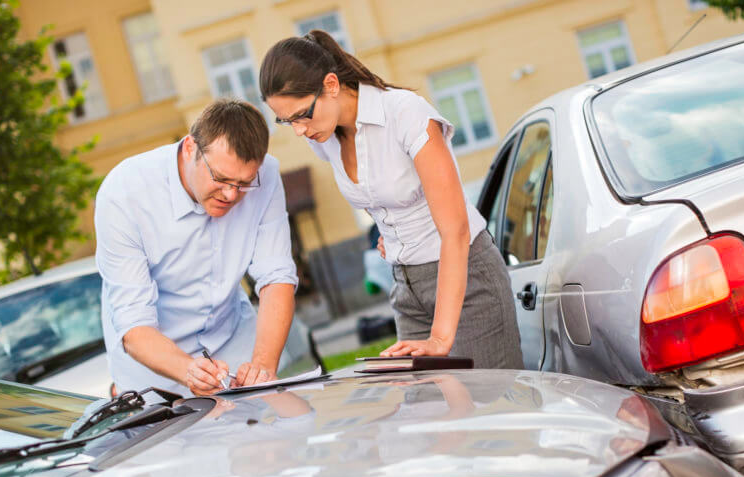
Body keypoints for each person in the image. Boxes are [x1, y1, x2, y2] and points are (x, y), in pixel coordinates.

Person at [260, 31, 522, 369]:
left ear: (331, 85)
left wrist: (441, 338)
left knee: (491, 410)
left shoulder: (404, 113)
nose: (299, 130)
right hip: (406, 288)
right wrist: (394, 236)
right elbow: (386, 197)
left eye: (302, 114)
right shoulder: (324, 138)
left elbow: (455, 230)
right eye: (287, 121)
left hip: (468, 282)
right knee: (431, 415)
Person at [95, 98, 298, 397]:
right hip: (155, 366)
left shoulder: (266, 174)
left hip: (232, 339)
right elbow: (134, 323)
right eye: (221, 178)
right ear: (190, 148)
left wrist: (263, 365)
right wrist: (187, 369)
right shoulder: (124, 193)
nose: (231, 194)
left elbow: (277, 276)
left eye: (243, 184)